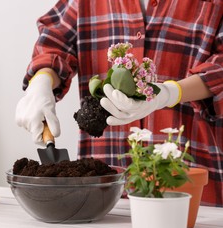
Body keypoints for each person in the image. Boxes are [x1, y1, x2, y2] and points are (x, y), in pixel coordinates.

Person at [15, 0, 222, 207]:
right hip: (103, 195)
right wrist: (42, 80)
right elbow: (55, 42)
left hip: (193, 196)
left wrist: (170, 93)